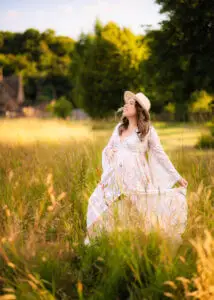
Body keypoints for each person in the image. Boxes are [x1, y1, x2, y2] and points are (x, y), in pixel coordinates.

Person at [84, 91, 188, 245]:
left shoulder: (147, 131)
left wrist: (177, 177)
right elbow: (108, 148)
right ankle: (98, 241)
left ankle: (142, 244)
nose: (126, 105)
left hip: (136, 178)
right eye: (126, 102)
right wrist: (109, 152)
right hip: (114, 177)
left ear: (139, 110)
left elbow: (160, 155)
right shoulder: (119, 127)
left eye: (131, 103)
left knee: (138, 212)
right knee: (96, 201)